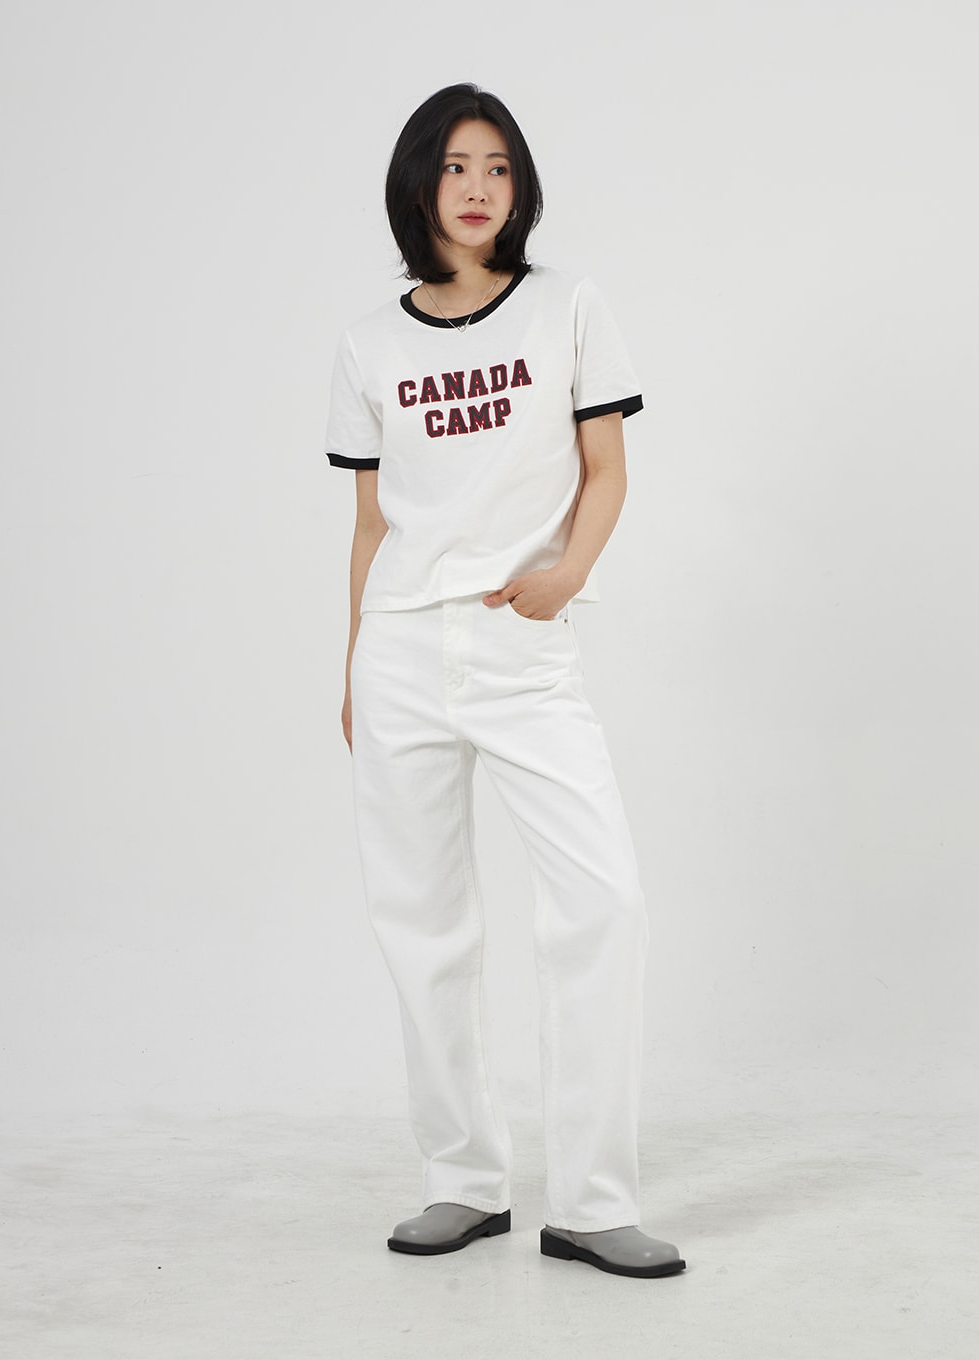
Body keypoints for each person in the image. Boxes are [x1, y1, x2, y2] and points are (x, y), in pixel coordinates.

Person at [325, 83, 685, 1280]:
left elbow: (605, 467)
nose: (477, 188)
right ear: (418, 184)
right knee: (422, 920)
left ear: (518, 187)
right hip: (400, 650)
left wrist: (565, 574)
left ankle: (591, 1201)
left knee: (603, 900)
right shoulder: (369, 345)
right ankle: (462, 1181)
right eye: (454, 167)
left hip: (522, 646)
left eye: (497, 168)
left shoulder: (566, 306)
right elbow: (371, 522)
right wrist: (352, 664)